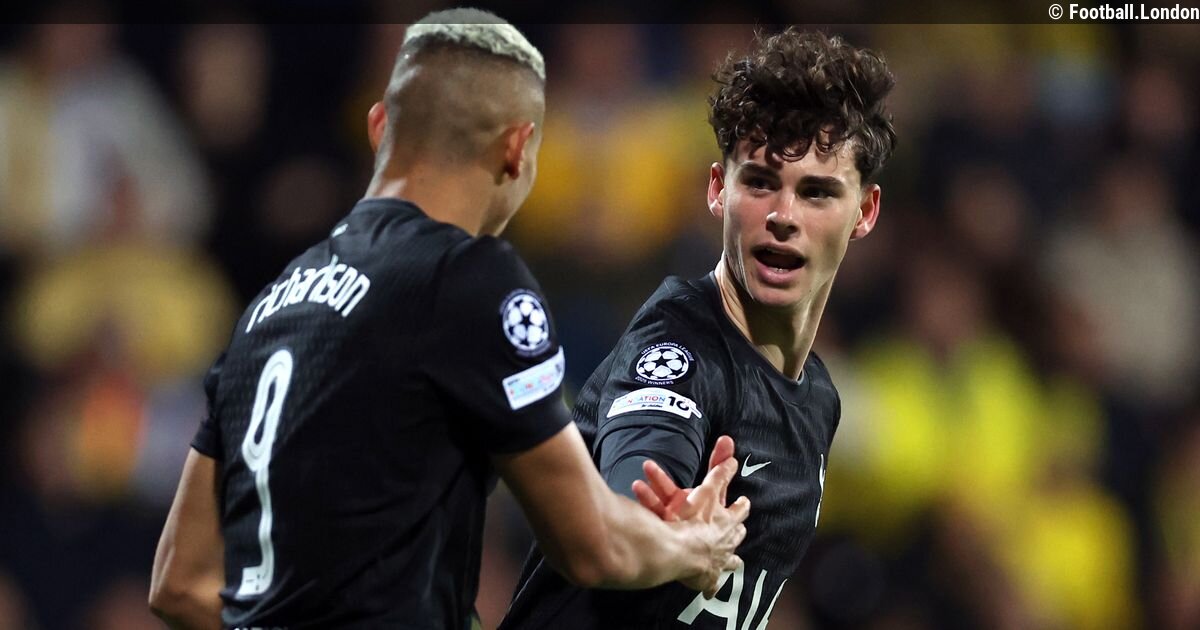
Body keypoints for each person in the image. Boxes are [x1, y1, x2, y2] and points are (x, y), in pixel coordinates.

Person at [148, 11, 750, 630]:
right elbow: (593, 545)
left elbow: (177, 582)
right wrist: (694, 545)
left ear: (379, 127)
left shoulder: (269, 307)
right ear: (517, 148)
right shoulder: (467, 279)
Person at [500, 28, 897, 629]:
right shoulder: (676, 350)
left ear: (864, 211)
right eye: (759, 182)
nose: (783, 216)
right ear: (718, 189)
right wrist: (671, 532)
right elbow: (628, 500)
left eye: (817, 193)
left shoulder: (817, 398)